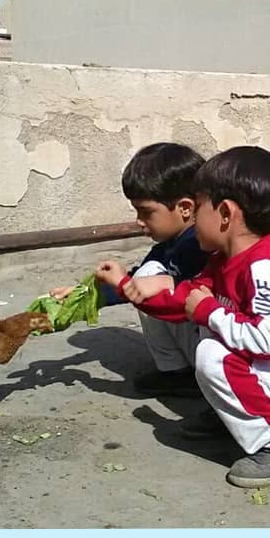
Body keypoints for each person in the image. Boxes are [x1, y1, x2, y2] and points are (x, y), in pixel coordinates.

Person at [96, 145, 270, 488]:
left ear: (224, 213)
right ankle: (236, 419)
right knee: (211, 335)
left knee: (213, 352)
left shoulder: (263, 266)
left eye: (198, 206)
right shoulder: (222, 260)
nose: (193, 218)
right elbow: (184, 301)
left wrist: (209, 311)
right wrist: (125, 287)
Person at [52, 142, 210, 396]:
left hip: (218, 351)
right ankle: (178, 373)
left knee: (149, 278)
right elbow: (133, 283)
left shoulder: (203, 245)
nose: (139, 221)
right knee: (147, 275)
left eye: (146, 212)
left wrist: (142, 283)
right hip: (200, 343)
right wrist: (85, 294)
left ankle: (194, 376)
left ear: (185, 208)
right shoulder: (168, 245)